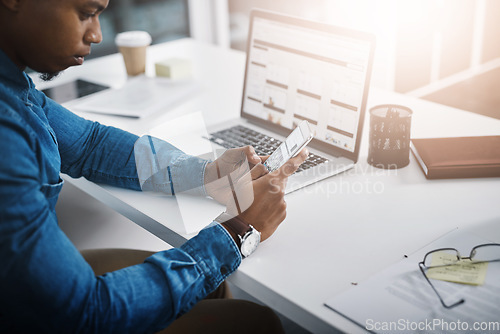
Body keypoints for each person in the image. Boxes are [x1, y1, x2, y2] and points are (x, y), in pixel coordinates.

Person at [0, 0, 309, 333]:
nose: (97, 34)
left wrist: (207, 173)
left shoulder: (12, 85)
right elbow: (86, 313)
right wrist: (239, 231)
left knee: (212, 287)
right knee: (257, 322)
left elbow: (90, 144)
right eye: (85, 13)